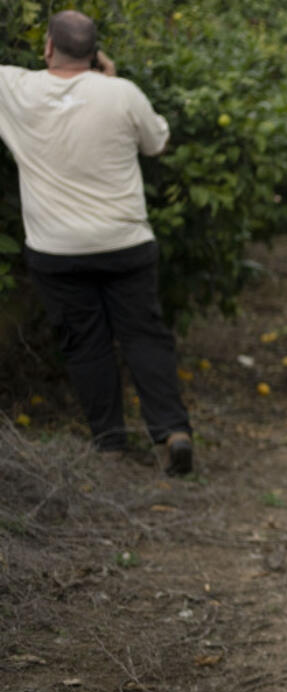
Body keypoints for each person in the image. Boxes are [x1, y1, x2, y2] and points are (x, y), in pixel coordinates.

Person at [0, 10, 193, 474]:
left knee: (85, 344)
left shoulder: (13, 89)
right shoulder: (122, 94)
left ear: (47, 47)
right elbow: (157, 143)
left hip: (57, 250)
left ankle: (109, 446)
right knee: (145, 336)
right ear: (95, 52)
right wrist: (109, 81)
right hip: (125, 241)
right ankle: (172, 432)